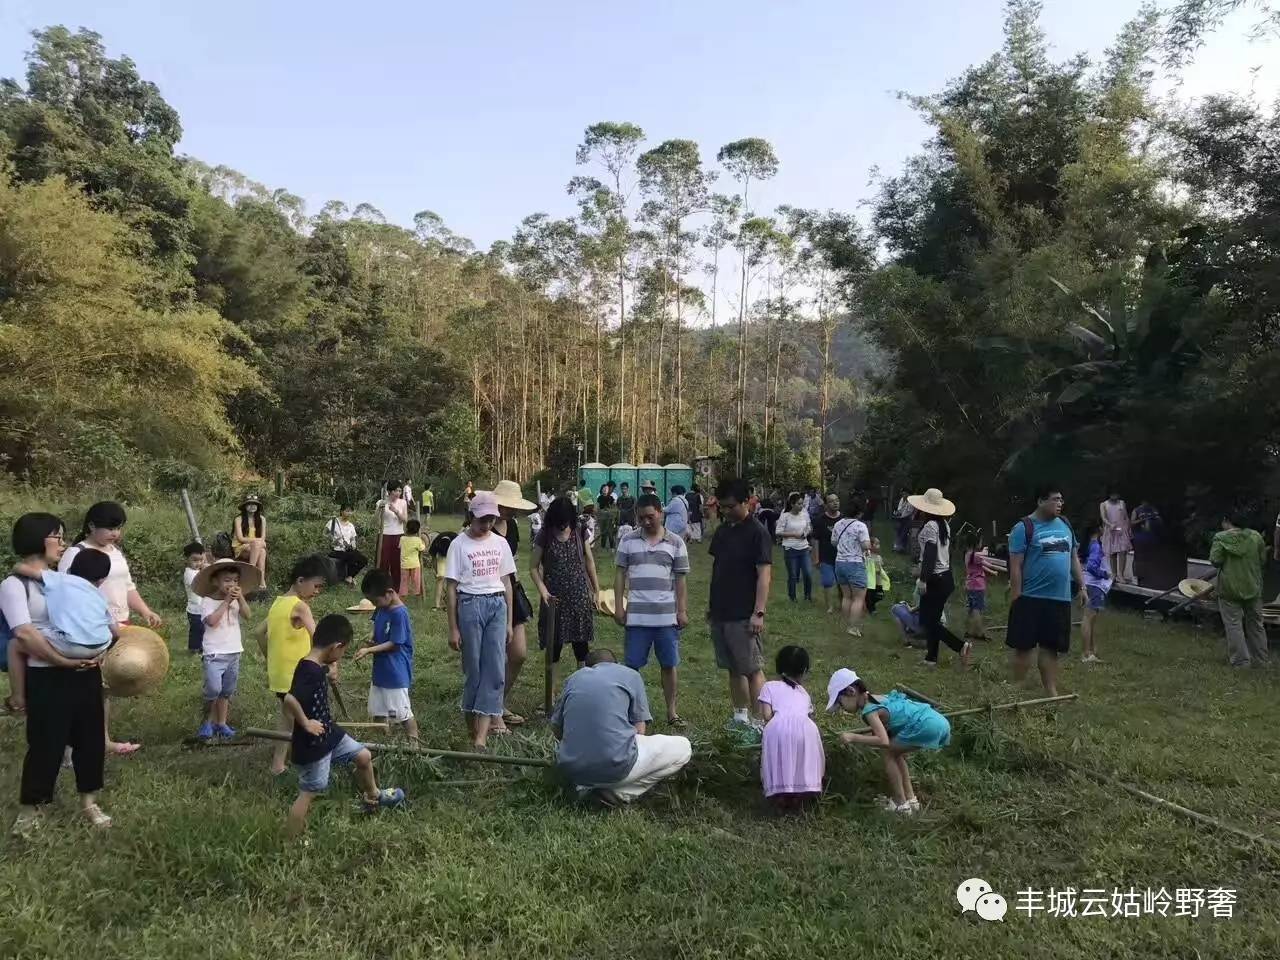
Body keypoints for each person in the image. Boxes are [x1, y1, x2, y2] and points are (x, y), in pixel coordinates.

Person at [4, 514, 112, 836]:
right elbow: (23, 634)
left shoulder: (65, 580)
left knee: (90, 740)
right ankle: (29, 810)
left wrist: (100, 648)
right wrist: (61, 660)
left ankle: (89, 801)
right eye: (57, 536)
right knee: (45, 743)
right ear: (38, 539)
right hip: (47, 676)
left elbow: (93, 617)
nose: (63, 543)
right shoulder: (14, 585)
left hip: (87, 673)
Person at [284, 614, 405, 836]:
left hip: (328, 733)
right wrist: (306, 723)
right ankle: (290, 842)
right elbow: (290, 699)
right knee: (310, 793)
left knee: (364, 756)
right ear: (335, 647)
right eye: (343, 651)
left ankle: (373, 796)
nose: (341, 656)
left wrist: (327, 673)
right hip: (314, 742)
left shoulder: (313, 665)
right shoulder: (309, 671)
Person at [60, 501, 161, 756]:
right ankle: (71, 746)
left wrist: (145, 610)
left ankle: (101, 740)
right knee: (85, 687)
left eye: (119, 528)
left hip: (119, 625)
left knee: (105, 686)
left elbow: (127, 588)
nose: (115, 534)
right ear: (91, 526)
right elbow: (68, 594)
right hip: (91, 628)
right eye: (110, 528)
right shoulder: (76, 554)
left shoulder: (115, 552)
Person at [550, 649, 692, 806]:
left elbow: (557, 730)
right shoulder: (630, 675)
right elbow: (640, 730)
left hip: (571, 769)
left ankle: (586, 787)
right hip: (616, 765)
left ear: (587, 667)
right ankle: (620, 794)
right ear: (615, 664)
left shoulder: (574, 678)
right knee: (684, 747)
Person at [444, 491, 516, 749]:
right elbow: (451, 587)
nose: (486, 524)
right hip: (469, 604)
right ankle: (470, 725)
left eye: (491, 519)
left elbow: (507, 582)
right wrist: (453, 627)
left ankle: (482, 736)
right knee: (473, 669)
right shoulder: (458, 545)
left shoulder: (500, 543)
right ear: (471, 516)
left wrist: (508, 621)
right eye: (482, 519)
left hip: (496, 604)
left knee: (495, 669)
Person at [828, 668, 951, 816]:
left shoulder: (869, 710)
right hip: (936, 721)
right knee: (896, 752)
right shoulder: (878, 698)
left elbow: (882, 740)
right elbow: (887, 727)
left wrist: (853, 737)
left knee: (888, 753)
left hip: (926, 725)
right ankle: (911, 800)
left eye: (841, 704)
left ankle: (901, 803)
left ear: (850, 691)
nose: (843, 709)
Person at [616, 493, 690, 726]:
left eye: (650, 517)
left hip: (666, 618)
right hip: (636, 617)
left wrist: (682, 610)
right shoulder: (628, 540)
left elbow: (680, 580)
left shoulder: (676, 542)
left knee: (669, 665)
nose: (646, 522)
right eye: (641, 518)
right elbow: (620, 575)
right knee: (632, 667)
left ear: (660, 513)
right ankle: (634, 713)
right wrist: (619, 607)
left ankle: (672, 712)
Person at [1007, 486, 1087, 697]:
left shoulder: (1065, 525)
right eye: (1055, 499)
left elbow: (1073, 558)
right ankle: (1017, 688)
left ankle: (1051, 691)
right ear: (1041, 501)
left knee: (1051, 647)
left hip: (1059, 598)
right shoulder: (1024, 528)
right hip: (1030, 597)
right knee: (1024, 646)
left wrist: (1082, 585)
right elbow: (1015, 566)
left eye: (1062, 499)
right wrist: (1016, 597)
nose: (1060, 503)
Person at [708, 478, 773, 735]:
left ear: (747, 502)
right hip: (721, 612)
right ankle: (740, 716)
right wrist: (712, 606)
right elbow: (718, 569)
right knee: (733, 668)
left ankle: (761, 721)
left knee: (752, 669)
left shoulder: (757, 532)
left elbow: (764, 575)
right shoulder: (723, 531)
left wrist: (758, 612)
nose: (725, 511)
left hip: (744, 613)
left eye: (730, 506)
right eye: (721, 506)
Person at [263, 554, 329, 776]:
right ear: (301, 580)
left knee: (287, 718)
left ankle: (279, 764)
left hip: (280, 674)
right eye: (316, 586)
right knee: (306, 718)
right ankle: (311, 763)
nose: (317, 592)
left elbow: (258, 633)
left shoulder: (278, 603)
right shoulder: (300, 606)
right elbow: (319, 638)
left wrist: (271, 656)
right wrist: (330, 665)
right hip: (297, 675)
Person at [531, 497, 599, 674]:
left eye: (565, 522)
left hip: (578, 596)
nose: (562, 526)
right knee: (554, 648)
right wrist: (543, 591)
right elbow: (532, 567)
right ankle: (550, 694)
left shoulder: (579, 531)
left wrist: (596, 590)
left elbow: (589, 561)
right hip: (554, 599)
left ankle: (581, 687)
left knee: (581, 647)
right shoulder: (544, 534)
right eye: (559, 522)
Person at [492, 480, 537, 732]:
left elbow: (512, 561)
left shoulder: (513, 527)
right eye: (505, 506)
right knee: (496, 656)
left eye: (513, 507)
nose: (509, 511)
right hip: (489, 595)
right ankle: (491, 708)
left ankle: (499, 700)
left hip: (512, 591)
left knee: (518, 654)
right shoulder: (481, 525)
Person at [354, 569, 419, 743]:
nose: (375, 605)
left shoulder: (399, 613)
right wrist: (371, 638)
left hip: (395, 673)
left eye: (376, 600)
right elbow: (376, 626)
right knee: (379, 712)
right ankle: (382, 746)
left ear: (390, 593)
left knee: (403, 713)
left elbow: (394, 644)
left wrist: (369, 650)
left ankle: (414, 746)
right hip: (381, 673)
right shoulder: (381, 607)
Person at [909, 488, 971, 669]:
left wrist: (923, 579)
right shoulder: (944, 525)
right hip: (945, 577)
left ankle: (961, 646)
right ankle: (931, 658)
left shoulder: (930, 526)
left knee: (928, 621)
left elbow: (930, 554)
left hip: (935, 578)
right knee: (932, 621)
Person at [193, 559, 255, 740]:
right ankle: (207, 722)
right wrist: (227, 601)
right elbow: (212, 621)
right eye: (227, 580)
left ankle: (221, 723)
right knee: (213, 689)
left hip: (233, 651)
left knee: (226, 690)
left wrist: (240, 598)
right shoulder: (207, 601)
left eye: (236, 581)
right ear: (215, 581)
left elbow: (248, 615)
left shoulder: (236, 600)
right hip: (214, 652)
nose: (232, 584)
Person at [757, 646, 824, 810]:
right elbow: (809, 715)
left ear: (779, 666)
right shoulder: (804, 693)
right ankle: (800, 796)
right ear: (804, 671)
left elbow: (766, 716)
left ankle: (780, 795)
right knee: (801, 760)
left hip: (778, 726)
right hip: (807, 729)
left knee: (780, 759)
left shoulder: (769, 686)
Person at [1209, 513, 1270, 668]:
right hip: (1253, 587)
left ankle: (1241, 663)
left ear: (1226, 521)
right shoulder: (1256, 537)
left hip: (1229, 588)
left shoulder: (1220, 538)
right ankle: (1262, 660)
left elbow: (1215, 561)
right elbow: (1262, 559)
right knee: (1256, 625)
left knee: (1233, 625)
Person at [831, 497, 871, 638]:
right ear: (859, 513)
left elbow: (834, 542)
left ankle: (846, 623)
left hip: (839, 563)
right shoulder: (860, 526)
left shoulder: (838, 524)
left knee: (846, 596)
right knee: (858, 598)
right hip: (855, 563)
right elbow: (866, 545)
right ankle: (853, 627)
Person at [1081, 523, 1112, 665]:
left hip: (1090, 585)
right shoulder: (1096, 546)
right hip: (1094, 585)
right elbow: (1092, 566)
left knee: (1091, 619)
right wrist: (1105, 574)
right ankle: (1086, 653)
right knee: (1088, 618)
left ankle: (1091, 651)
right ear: (1099, 529)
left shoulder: (1091, 544)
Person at [962, 531, 1000, 641]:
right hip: (977, 585)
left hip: (970, 584)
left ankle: (971, 631)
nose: (981, 543)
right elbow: (988, 564)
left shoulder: (967, 554)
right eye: (980, 541)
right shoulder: (975, 556)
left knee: (972, 609)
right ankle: (980, 633)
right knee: (977, 609)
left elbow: (982, 565)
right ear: (976, 543)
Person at [776, 493, 814, 603]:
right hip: (790, 548)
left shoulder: (804, 514)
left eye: (802, 503)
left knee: (807, 573)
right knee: (792, 575)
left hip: (804, 547)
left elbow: (809, 527)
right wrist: (793, 535)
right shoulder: (785, 516)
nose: (801, 506)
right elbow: (778, 531)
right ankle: (792, 597)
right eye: (799, 504)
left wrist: (806, 533)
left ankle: (808, 596)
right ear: (792, 504)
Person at [810, 493, 841, 615]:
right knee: (828, 582)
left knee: (842, 583)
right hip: (825, 556)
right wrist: (816, 558)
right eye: (832, 501)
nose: (835, 503)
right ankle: (830, 606)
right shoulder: (820, 520)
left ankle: (843, 603)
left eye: (837, 500)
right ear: (826, 505)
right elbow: (815, 540)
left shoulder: (843, 519)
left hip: (842, 557)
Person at [376, 483, 409, 587]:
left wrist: (396, 511)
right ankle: (382, 586)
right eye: (396, 491)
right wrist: (378, 510)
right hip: (384, 535)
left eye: (400, 491)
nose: (398, 493)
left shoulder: (403, 502)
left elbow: (405, 520)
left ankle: (396, 588)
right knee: (383, 562)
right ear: (390, 491)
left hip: (398, 535)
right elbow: (375, 521)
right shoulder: (381, 502)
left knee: (396, 563)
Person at [325, 505, 367, 585]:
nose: (349, 513)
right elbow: (325, 534)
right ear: (341, 511)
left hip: (348, 550)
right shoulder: (333, 522)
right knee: (352, 556)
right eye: (347, 511)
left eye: (351, 511)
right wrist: (333, 540)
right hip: (336, 550)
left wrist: (353, 545)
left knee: (364, 559)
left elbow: (353, 539)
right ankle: (349, 577)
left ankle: (350, 576)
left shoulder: (351, 525)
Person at [231, 494, 268, 581]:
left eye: (254, 504)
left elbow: (263, 537)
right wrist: (257, 542)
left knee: (262, 551)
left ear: (258, 506)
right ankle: (251, 572)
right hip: (241, 547)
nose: (252, 506)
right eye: (249, 504)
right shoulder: (238, 519)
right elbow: (240, 539)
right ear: (245, 506)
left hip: (255, 547)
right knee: (257, 545)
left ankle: (261, 580)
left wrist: (258, 542)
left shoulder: (262, 519)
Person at [1100, 492, 1134, 585]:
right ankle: (1114, 574)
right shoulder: (1104, 504)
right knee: (1112, 553)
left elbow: (1125, 517)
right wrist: (1110, 525)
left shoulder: (1122, 503)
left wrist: (1128, 528)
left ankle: (1121, 575)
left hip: (1121, 530)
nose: (1115, 495)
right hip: (1111, 529)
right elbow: (1103, 517)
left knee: (1123, 552)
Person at [183, 542, 207, 655]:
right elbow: (198, 583)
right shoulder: (189, 573)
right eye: (195, 560)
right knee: (196, 630)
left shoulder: (197, 571)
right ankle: (194, 649)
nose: (198, 563)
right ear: (187, 559)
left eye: (201, 560)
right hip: (194, 609)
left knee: (203, 629)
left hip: (202, 608)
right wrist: (206, 570)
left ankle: (201, 647)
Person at [427, 531, 456, 611]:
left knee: (450, 581)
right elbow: (433, 558)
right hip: (441, 559)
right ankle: (437, 605)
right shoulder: (436, 543)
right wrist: (437, 571)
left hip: (453, 557)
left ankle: (448, 604)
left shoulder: (456, 540)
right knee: (440, 579)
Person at [398, 519, 426, 599]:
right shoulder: (418, 540)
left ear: (406, 529)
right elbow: (423, 549)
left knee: (404, 582)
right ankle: (417, 595)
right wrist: (423, 543)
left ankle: (402, 596)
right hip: (415, 564)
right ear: (417, 531)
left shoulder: (402, 539)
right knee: (416, 581)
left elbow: (400, 546)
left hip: (404, 565)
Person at [864, 537, 891, 614]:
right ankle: (871, 609)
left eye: (879, 544)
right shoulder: (867, 556)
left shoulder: (879, 557)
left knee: (879, 595)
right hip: (870, 580)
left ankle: (870, 604)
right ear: (871, 545)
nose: (878, 546)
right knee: (870, 594)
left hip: (878, 580)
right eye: (876, 544)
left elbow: (880, 567)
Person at [597, 482, 618, 551]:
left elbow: (614, 507)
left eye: (606, 489)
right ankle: (603, 547)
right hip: (602, 517)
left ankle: (612, 547)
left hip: (610, 517)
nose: (605, 490)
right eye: (603, 489)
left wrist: (612, 514)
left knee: (610, 532)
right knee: (603, 532)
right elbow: (598, 507)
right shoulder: (599, 497)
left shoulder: (611, 498)